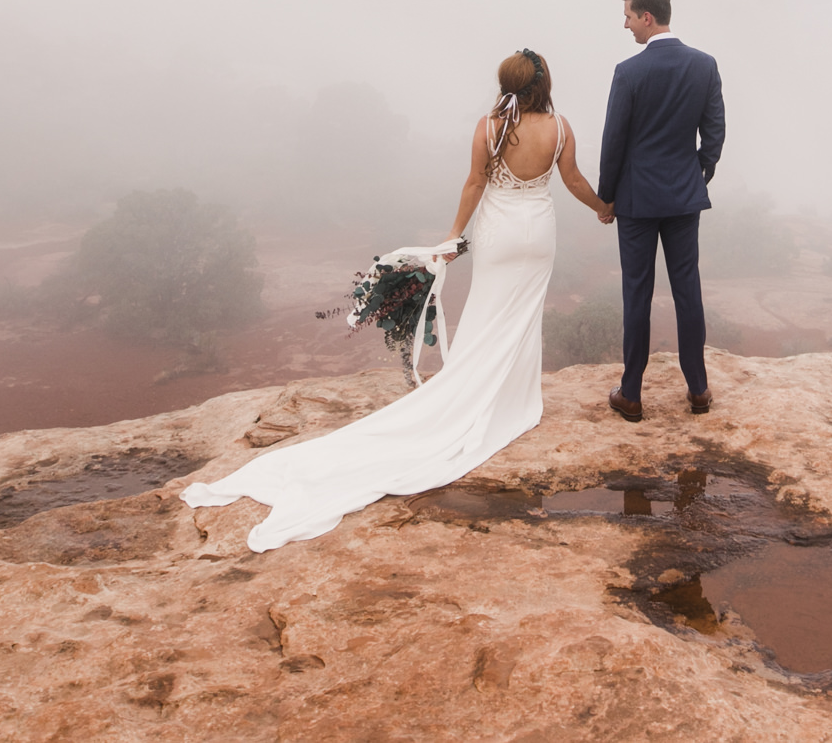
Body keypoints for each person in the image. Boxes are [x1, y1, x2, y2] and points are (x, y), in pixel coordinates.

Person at [180, 49, 610, 550]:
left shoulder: (490, 126)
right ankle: (513, 399)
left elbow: (475, 182)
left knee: (489, 311)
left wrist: (453, 237)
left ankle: (474, 391)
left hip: (498, 230)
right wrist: (605, 208)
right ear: (544, 82)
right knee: (522, 314)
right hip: (538, 232)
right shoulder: (560, 127)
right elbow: (574, 180)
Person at [599, 0, 725, 422]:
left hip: (636, 199)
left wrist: (607, 197)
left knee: (638, 293)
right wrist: (698, 173)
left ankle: (631, 393)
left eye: (630, 16)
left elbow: (614, 140)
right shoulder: (704, 65)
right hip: (684, 196)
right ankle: (699, 389)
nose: (627, 24)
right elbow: (714, 133)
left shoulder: (628, 72)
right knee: (687, 289)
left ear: (647, 17)